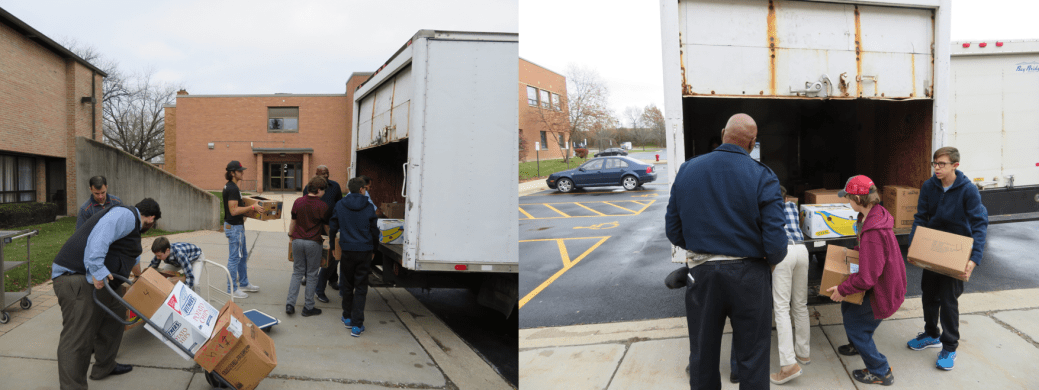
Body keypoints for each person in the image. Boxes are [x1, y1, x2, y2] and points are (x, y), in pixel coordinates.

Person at [664, 113, 788, 389]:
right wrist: (767, 259)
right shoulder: (763, 176)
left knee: (702, 355)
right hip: (750, 276)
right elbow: (776, 242)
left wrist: (702, 248)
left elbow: (673, 230)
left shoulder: (688, 170)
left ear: (723, 134)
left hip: (702, 275)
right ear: (752, 143)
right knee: (753, 357)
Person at [51, 198, 161, 389]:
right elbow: (100, 236)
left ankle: (105, 366)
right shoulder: (125, 215)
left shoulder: (132, 228)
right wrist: (97, 269)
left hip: (103, 282)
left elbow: (133, 258)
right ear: (151, 218)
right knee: (78, 337)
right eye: (154, 223)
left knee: (116, 315)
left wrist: (141, 277)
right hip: (76, 277)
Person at [905, 146, 988, 371]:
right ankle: (931, 334)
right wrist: (913, 246)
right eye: (935, 163)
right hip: (933, 247)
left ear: (955, 165)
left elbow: (979, 224)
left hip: (956, 250)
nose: (937, 168)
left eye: (942, 164)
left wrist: (974, 258)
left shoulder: (968, 190)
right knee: (929, 294)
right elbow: (921, 217)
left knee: (949, 300)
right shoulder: (929, 186)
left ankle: (949, 347)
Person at [825, 175, 906, 386]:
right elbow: (867, 254)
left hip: (883, 289)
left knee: (857, 326)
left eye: (848, 198)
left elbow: (868, 278)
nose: (847, 201)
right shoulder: (872, 215)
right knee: (849, 307)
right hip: (882, 281)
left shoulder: (873, 232)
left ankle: (880, 371)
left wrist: (843, 288)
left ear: (859, 199)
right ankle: (857, 344)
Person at [769, 186, 812, 385]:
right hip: (801, 250)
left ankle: (788, 364)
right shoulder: (792, 207)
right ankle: (803, 353)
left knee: (781, 308)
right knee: (800, 305)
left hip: (783, 252)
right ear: (786, 198)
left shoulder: (768, 209)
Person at [329, 177, 380, 337]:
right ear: (361, 189)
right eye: (365, 188)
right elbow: (374, 231)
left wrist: (332, 246)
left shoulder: (340, 204)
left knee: (347, 284)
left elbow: (333, 227)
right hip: (365, 250)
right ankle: (357, 325)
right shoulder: (369, 206)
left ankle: (347, 317)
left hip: (347, 249)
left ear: (349, 189)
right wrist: (374, 249)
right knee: (361, 287)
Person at [286, 176, 331, 317]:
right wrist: (331, 238)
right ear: (319, 190)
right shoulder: (322, 206)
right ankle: (308, 307)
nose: (324, 193)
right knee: (312, 274)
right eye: (323, 190)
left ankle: (290, 304)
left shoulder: (298, 201)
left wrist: (290, 236)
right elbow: (326, 226)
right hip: (313, 242)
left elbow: (293, 221)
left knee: (297, 272)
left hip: (297, 240)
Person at [223, 160, 261, 299]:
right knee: (234, 258)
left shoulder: (231, 187)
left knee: (243, 256)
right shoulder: (232, 188)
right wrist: (252, 207)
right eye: (239, 171)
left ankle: (244, 283)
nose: (242, 173)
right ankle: (232, 289)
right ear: (232, 173)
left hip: (236, 227)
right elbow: (233, 211)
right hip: (234, 228)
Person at [309, 165, 344, 303]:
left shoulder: (335, 186)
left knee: (332, 255)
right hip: (316, 227)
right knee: (316, 254)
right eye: (323, 173)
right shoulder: (309, 186)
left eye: (327, 173)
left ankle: (333, 279)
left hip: (331, 225)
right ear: (316, 174)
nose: (326, 175)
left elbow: (340, 203)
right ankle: (311, 278)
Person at [132, 237, 203, 290]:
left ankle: (198, 303)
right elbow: (152, 267)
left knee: (195, 284)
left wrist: (186, 293)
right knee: (161, 274)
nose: (157, 257)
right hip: (177, 262)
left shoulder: (180, 255)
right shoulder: (161, 252)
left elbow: (190, 276)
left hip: (195, 258)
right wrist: (143, 277)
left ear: (167, 251)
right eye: (156, 255)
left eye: (159, 256)